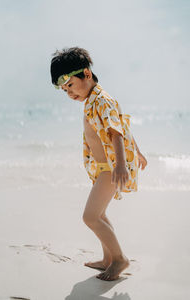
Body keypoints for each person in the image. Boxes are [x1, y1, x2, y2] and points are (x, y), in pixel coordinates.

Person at [50, 47, 147, 281]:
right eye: (64, 90)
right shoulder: (91, 101)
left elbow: (116, 133)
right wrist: (140, 152)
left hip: (112, 168)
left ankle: (120, 259)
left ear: (86, 73)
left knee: (90, 217)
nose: (69, 93)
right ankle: (107, 258)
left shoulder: (103, 100)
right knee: (100, 214)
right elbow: (123, 126)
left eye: (70, 85)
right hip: (103, 168)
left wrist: (122, 164)